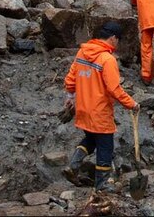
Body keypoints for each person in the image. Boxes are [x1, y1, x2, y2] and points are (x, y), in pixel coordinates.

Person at [62, 21, 138, 192]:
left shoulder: (83, 51)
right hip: (100, 111)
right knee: (105, 148)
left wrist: (70, 95)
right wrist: (131, 104)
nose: (117, 43)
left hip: (83, 108)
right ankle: (102, 185)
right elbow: (114, 89)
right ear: (112, 38)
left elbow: (72, 76)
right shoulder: (107, 59)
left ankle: (73, 165)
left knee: (90, 139)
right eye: (118, 40)